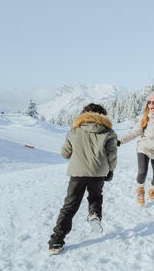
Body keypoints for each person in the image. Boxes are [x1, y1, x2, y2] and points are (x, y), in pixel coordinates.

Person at [47, 103, 117, 255]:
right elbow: (112, 156)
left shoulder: (74, 131)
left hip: (77, 173)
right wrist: (110, 170)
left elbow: (65, 153)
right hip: (99, 172)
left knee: (70, 205)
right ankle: (94, 215)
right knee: (95, 197)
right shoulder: (109, 132)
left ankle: (56, 241)